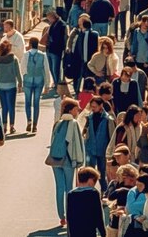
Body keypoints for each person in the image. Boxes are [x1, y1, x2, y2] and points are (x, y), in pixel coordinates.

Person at [47, 98, 84, 227]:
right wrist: (79, 161)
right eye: (76, 108)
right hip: (68, 159)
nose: (78, 110)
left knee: (59, 188)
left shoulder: (57, 123)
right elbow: (76, 145)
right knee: (69, 189)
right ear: (71, 110)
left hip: (55, 159)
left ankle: (61, 217)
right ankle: (70, 216)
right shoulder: (74, 123)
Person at [83, 96, 115, 192]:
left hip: (103, 150)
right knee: (89, 173)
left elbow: (112, 136)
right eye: (92, 106)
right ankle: (89, 191)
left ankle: (104, 192)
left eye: (95, 106)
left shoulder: (108, 119)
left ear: (101, 105)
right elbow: (84, 132)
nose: (93, 108)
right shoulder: (89, 118)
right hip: (90, 149)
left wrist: (110, 151)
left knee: (102, 172)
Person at [21, 36, 50, 133]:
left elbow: (23, 68)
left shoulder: (26, 55)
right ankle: (35, 125)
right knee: (36, 103)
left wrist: (23, 79)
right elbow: (46, 70)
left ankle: (29, 120)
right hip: (39, 79)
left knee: (28, 102)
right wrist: (47, 84)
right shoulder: (43, 55)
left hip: (28, 79)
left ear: (30, 44)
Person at [66, 166, 106, 237]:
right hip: (89, 230)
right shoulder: (93, 193)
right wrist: (103, 232)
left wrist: (69, 233)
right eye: (95, 181)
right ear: (90, 180)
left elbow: (69, 216)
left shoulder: (71, 194)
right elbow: (98, 214)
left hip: (75, 231)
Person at [0, 40, 22, 134]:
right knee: (11, 107)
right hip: (11, 85)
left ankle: (4, 126)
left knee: (4, 107)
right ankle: (12, 126)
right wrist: (20, 83)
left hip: (1, 85)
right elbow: (18, 72)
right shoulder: (13, 59)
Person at [71, 17, 99, 95]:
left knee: (88, 78)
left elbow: (96, 48)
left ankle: (85, 92)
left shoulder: (94, 34)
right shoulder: (79, 34)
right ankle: (78, 92)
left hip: (89, 60)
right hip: (81, 61)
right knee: (78, 77)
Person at [45, 9, 67, 93]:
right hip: (49, 49)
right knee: (51, 67)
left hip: (56, 50)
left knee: (55, 69)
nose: (49, 20)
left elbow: (62, 39)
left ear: (53, 16)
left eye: (49, 18)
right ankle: (55, 83)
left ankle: (58, 84)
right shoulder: (52, 24)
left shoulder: (62, 24)